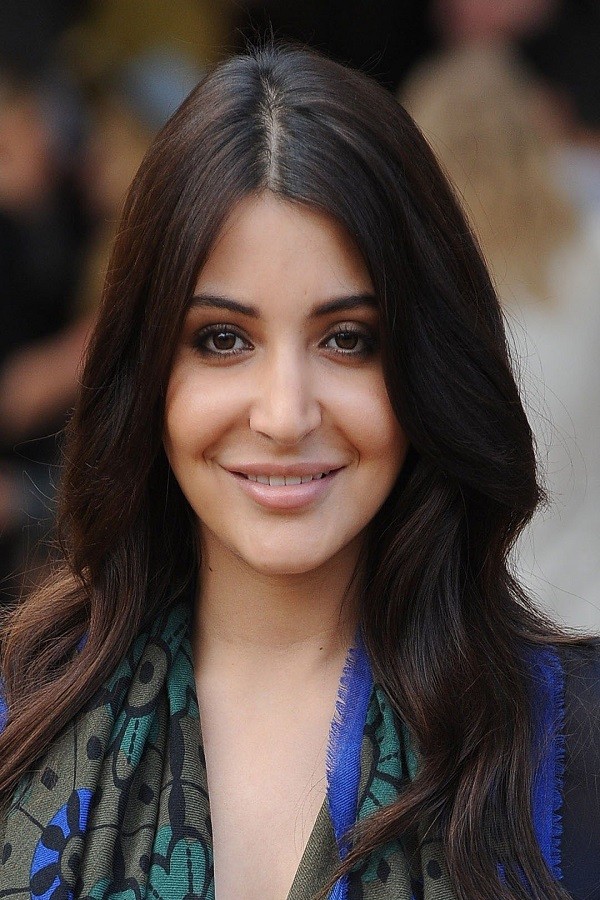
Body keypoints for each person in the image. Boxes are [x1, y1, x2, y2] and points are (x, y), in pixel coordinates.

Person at [0, 43, 598, 900]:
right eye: (222, 340)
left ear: (425, 367)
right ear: (146, 373)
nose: (285, 415)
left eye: (347, 339)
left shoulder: (570, 740)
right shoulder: (19, 722)